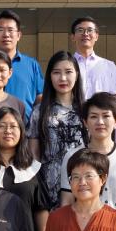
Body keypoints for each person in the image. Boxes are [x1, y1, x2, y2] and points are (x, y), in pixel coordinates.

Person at [59, 93, 116, 227]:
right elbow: (67, 200)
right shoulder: (72, 156)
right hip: (82, 228)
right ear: (85, 122)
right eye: (94, 116)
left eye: (106, 116)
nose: (100, 122)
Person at [28, 51, 86, 210]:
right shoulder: (39, 111)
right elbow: (34, 154)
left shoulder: (87, 110)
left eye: (68, 72)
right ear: (49, 76)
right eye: (56, 73)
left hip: (83, 183)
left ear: (77, 74)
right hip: (49, 187)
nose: (63, 78)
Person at [69, 16, 116, 99]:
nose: (85, 34)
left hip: (101, 107)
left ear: (96, 36)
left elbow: (115, 96)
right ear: (73, 37)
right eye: (80, 30)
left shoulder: (109, 65)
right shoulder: (67, 64)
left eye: (90, 30)